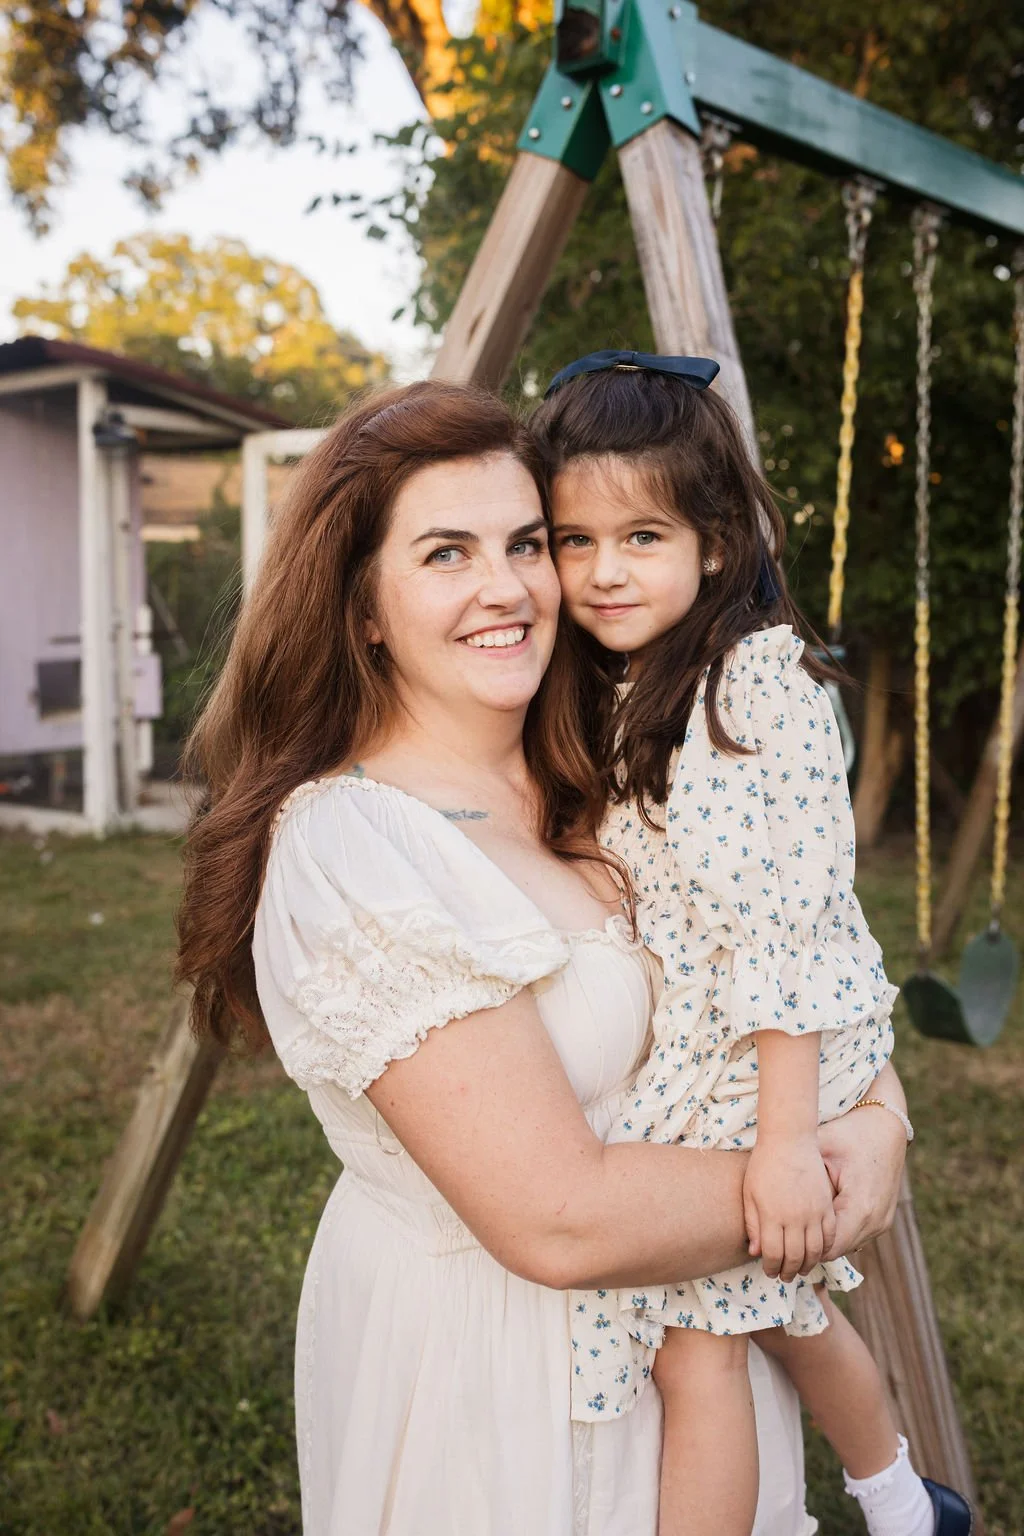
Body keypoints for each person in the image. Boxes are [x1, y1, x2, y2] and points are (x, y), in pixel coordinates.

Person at [175, 378, 910, 1536]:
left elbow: (784, 944)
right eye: (446, 553)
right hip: (495, 1378)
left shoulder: (624, 771)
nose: (509, 585)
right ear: (361, 605)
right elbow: (556, 1218)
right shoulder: (353, 846)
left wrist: (877, 1114)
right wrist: (817, 1179)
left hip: (694, 1332)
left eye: (526, 542)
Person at [531, 351, 973, 1536]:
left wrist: (785, 1146)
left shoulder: (750, 694)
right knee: (781, 1308)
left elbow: (785, 933)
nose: (603, 571)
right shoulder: (639, 682)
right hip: (725, 1045)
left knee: (694, 1348)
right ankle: (900, 1501)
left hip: (766, 1052)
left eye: (641, 537)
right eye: (575, 541)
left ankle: (892, 1502)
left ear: (716, 543)